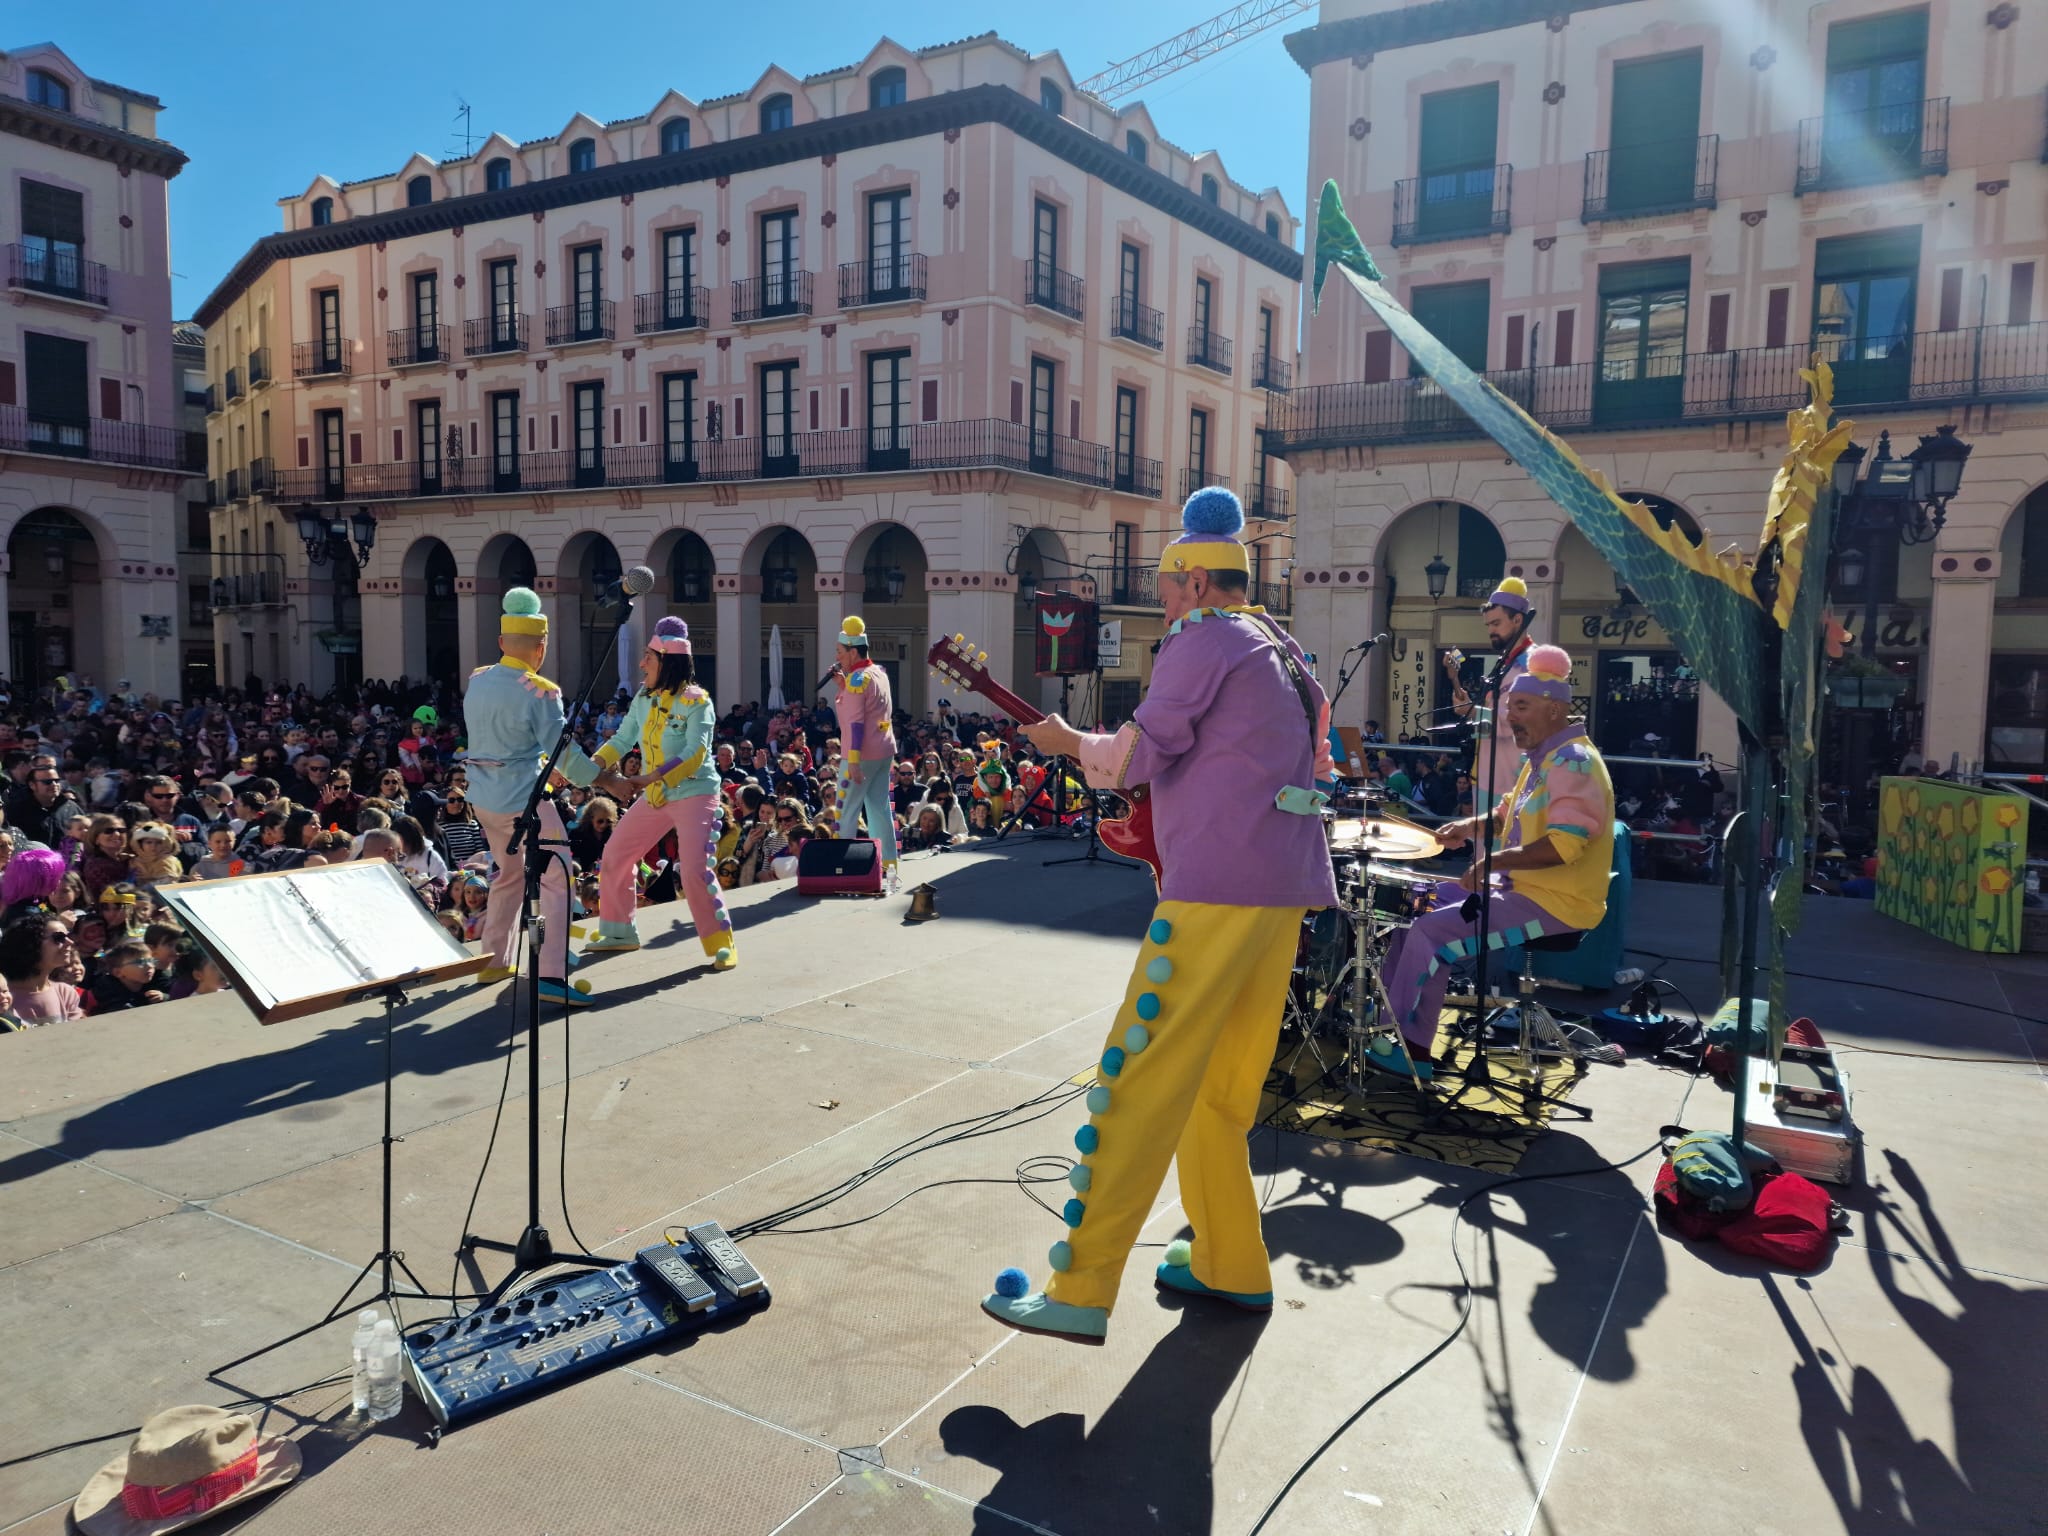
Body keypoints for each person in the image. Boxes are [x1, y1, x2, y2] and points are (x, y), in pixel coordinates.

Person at [983, 487, 1338, 1345]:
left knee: (1137, 1079)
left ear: (1195, 581)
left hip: (1215, 886)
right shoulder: (1280, 647)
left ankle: (1081, 1284)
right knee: (1221, 1093)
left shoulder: (1204, 641)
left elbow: (1138, 754)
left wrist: (1070, 743)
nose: (1166, 604)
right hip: (1284, 883)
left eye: (1171, 589)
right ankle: (1228, 1260)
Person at [1376, 645, 1616, 1078]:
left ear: (1556, 709)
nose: (1510, 717)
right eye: (1509, 707)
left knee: (1432, 932)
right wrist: (1465, 828)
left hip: (1557, 902)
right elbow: (1504, 814)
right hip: (1520, 889)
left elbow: (1564, 846)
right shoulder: (1540, 759)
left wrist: (1493, 863)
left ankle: (1408, 1047)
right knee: (1413, 908)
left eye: (1521, 706)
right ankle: (1391, 1028)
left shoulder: (1575, 763)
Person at [459, 588, 605, 1007]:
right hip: (524, 802)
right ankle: (551, 974)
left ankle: (493, 958)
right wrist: (606, 780)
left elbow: (506, 738)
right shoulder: (541, 690)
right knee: (557, 878)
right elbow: (566, 753)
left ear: (503, 643)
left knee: (507, 874)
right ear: (541, 648)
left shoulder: (478, 679)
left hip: (484, 798)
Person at [579, 618, 737, 968]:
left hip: (695, 794)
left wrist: (649, 777)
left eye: (647, 657)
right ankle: (619, 931)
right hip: (656, 796)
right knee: (616, 855)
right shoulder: (643, 697)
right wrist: (590, 766)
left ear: (667, 660)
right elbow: (621, 739)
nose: (641, 664)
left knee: (695, 871)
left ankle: (720, 943)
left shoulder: (698, 702)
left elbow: (696, 752)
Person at [826, 616, 902, 893]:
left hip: (860, 755)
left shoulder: (857, 679)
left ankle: (840, 872)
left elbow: (856, 723)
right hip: (884, 750)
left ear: (853, 651)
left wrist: (854, 762)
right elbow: (870, 709)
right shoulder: (878, 673)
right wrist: (843, 686)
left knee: (845, 813)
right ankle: (890, 869)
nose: (837, 656)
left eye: (839, 651)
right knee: (879, 809)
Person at [1444, 576, 1538, 800]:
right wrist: (1466, 703)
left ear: (1517, 620)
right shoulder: (1505, 664)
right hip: (1488, 774)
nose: (1491, 631)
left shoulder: (1532, 664)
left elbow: (1523, 721)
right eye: (1488, 625)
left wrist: (1474, 712)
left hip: (1511, 781)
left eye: (1496, 624)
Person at [0, 914, 87, 1024]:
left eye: (68, 936)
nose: (70, 942)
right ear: (30, 944)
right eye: (59, 938)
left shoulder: (65, 993)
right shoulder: (3, 998)